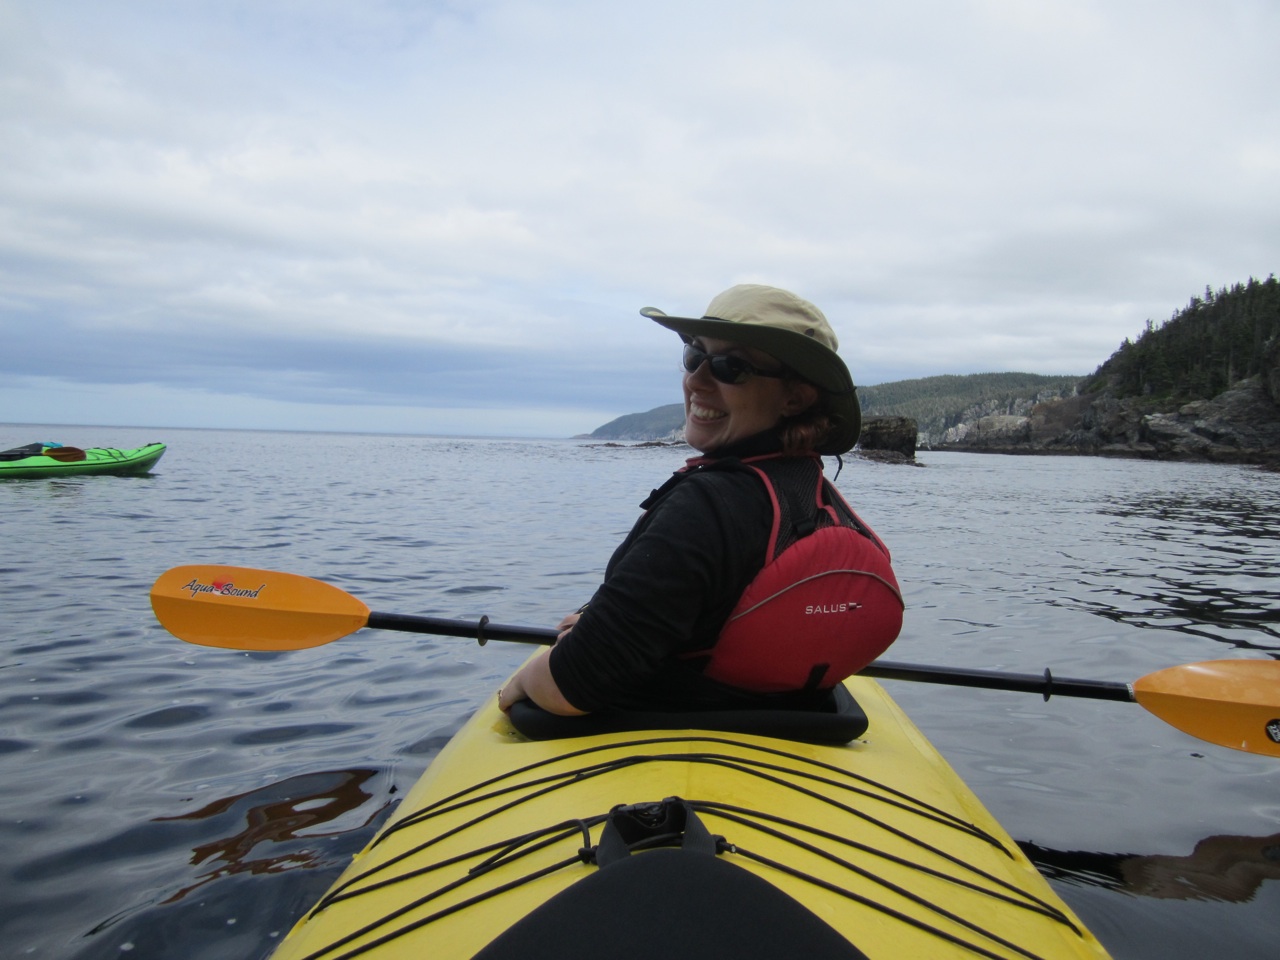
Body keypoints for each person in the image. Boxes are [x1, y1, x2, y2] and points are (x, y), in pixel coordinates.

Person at [498, 284, 903, 717]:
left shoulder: (706, 506)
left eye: (731, 367)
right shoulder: (809, 488)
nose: (695, 380)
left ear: (795, 398)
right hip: (788, 714)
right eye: (694, 356)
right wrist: (608, 625)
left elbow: (573, 684)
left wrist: (523, 679)